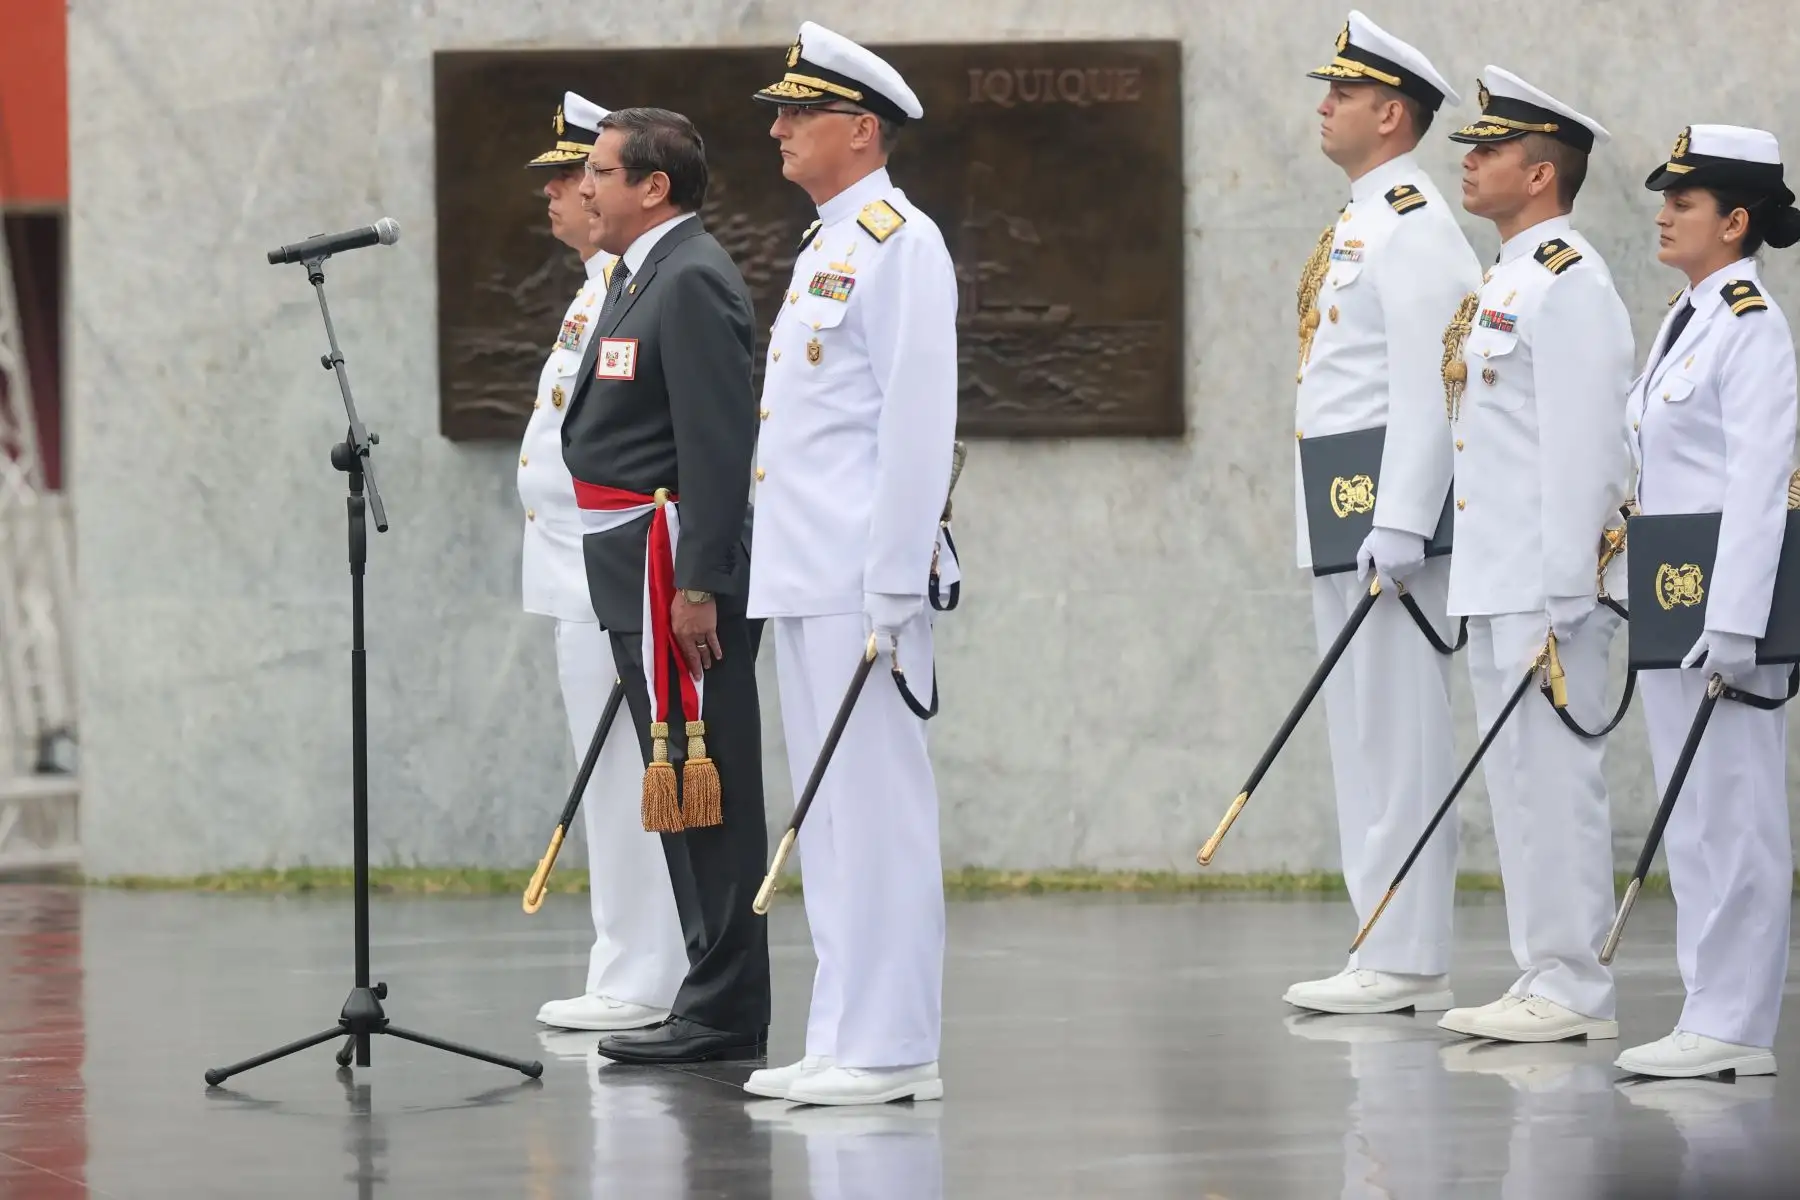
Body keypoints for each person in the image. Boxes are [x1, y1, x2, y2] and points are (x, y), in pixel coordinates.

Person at [739, 22, 957, 1107]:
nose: (778, 128)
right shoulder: (830, 244)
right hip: (807, 574)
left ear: (859, 129)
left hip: (862, 580)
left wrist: (892, 581)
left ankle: (892, 1043)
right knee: (826, 818)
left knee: (875, 810)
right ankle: (844, 1033)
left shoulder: (897, 243)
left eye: (798, 112)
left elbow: (917, 427)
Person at [561, 106, 769, 1064]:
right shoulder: (644, 273)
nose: (584, 186)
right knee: (680, 786)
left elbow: (718, 447)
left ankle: (725, 1008)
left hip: (671, 568)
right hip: (631, 555)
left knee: (706, 783)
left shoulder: (687, 279)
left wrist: (699, 585)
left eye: (601, 171)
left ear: (655, 187)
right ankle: (705, 991)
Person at [1283, 10, 1480, 1017]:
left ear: (1391, 113)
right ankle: (1378, 939)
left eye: (1344, 93)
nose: (1325, 105)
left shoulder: (1414, 225)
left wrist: (1403, 518)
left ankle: (1406, 952)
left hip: (1386, 527)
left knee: (1397, 730)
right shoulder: (1363, 220)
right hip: (1342, 512)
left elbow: (1433, 384)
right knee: (1361, 733)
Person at [1433, 68, 1635, 1044]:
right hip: (1497, 576)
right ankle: (1540, 974)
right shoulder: (1505, 279)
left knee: (1555, 783)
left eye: (1489, 149)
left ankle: (1575, 988)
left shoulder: (1569, 284)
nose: (1468, 162)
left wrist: (1567, 589)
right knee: (1517, 786)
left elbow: (1591, 448)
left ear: (1542, 172)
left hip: (1547, 586)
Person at [1614, 124, 1800, 1079]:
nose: (1665, 214)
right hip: (1672, 599)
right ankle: (1706, 1008)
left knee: (1736, 808)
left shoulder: (1754, 327)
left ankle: (1736, 1025)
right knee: (1692, 811)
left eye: (1683, 202)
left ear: (1734, 220)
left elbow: (1764, 483)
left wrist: (1735, 623)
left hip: (1726, 613)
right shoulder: (1685, 316)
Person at [517, 91, 689, 1037]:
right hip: (575, 564)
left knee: (630, 772)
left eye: (575, 173)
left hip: (616, 560)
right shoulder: (599, 289)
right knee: (609, 768)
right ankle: (622, 961)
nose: (556, 190)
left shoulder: (637, 287)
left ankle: (645, 974)